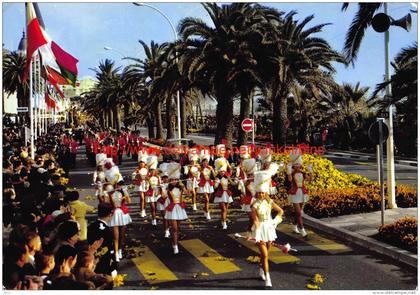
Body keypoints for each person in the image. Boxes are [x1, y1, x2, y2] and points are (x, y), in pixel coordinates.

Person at [250, 171, 284, 288]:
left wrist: (275, 221)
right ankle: (268, 277)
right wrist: (258, 233)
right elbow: (255, 220)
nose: (260, 194)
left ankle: (261, 268)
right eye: (258, 193)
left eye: (262, 193)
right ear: (256, 192)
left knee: (266, 254)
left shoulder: (269, 202)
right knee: (264, 255)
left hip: (269, 228)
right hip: (260, 229)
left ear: (265, 192)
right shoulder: (254, 205)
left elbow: (280, 211)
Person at [164, 163, 188, 254]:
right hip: (172, 209)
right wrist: (163, 189)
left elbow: (188, 193)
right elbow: (163, 195)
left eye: (176, 179)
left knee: (177, 228)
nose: (174, 181)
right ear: (170, 180)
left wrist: (187, 184)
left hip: (180, 208)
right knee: (174, 229)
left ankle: (174, 242)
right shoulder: (167, 188)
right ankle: (175, 246)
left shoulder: (181, 187)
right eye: (172, 180)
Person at [287, 154, 313, 238]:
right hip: (294, 193)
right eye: (296, 164)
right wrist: (288, 171)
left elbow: (310, 180)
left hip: (302, 192)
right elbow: (290, 180)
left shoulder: (303, 173)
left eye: (298, 164)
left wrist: (310, 171)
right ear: (293, 165)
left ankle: (294, 226)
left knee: (298, 213)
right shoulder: (291, 173)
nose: (297, 166)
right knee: (298, 212)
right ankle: (303, 232)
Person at [87, 203, 117, 275]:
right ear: (110, 214)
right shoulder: (107, 230)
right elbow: (110, 250)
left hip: (91, 261)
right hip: (104, 265)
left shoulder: (91, 226)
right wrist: (113, 267)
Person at [109, 180, 132, 262]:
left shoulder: (123, 193)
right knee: (116, 237)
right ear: (115, 185)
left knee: (122, 235)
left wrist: (125, 192)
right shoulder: (110, 193)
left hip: (123, 214)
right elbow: (107, 202)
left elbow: (129, 201)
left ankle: (120, 250)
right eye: (118, 185)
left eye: (121, 185)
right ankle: (115, 254)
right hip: (114, 214)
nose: (119, 186)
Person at [213, 158, 234, 230]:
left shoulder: (227, 177)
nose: (222, 172)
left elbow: (233, 184)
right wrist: (217, 182)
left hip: (227, 194)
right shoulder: (217, 178)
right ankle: (224, 223)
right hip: (220, 195)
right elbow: (215, 187)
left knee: (225, 210)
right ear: (219, 171)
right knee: (224, 209)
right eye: (221, 171)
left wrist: (237, 180)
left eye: (223, 171)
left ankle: (222, 220)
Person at [198, 153, 216, 220]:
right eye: (204, 161)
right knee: (207, 199)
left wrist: (212, 170)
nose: (205, 163)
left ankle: (205, 209)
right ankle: (208, 213)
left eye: (206, 161)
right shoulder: (200, 168)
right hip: (203, 184)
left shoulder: (210, 167)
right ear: (202, 162)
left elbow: (214, 176)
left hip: (209, 184)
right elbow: (198, 176)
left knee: (207, 200)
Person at [145, 156, 160, 225]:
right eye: (151, 170)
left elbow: (160, 185)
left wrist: (159, 191)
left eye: (154, 170)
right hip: (150, 193)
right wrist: (147, 182)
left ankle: (154, 217)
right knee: (153, 207)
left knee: (156, 207)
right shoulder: (147, 177)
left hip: (156, 193)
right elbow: (145, 187)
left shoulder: (158, 177)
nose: (152, 171)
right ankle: (154, 220)